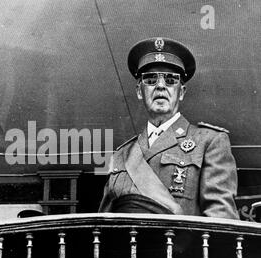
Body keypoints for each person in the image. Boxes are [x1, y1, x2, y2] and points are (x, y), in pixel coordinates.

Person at [99, 37, 238, 219]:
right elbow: (103, 223)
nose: (160, 86)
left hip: (181, 247)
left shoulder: (209, 142)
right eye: (150, 80)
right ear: (140, 91)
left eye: (171, 80)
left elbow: (220, 219)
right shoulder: (121, 155)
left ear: (181, 92)